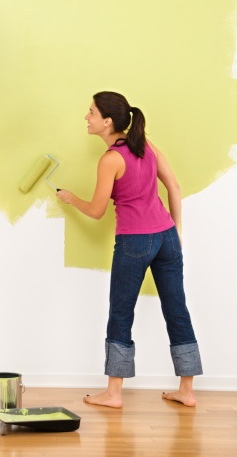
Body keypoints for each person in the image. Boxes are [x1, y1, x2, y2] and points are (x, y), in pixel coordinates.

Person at [56, 91, 202, 408]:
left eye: (91, 112)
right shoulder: (145, 145)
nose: (87, 117)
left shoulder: (111, 159)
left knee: (121, 313)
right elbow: (173, 186)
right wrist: (176, 230)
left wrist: (70, 198)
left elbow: (96, 211)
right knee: (177, 310)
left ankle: (113, 393)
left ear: (107, 122)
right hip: (166, 238)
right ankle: (187, 390)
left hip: (135, 241)